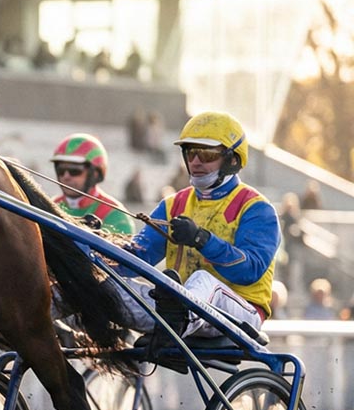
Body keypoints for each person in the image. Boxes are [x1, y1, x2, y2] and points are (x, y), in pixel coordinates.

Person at [125, 111, 279, 347]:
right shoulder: (172, 204)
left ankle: (173, 325)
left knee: (202, 280)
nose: (195, 162)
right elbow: (137, 256)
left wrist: (201, 238)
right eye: (190, 152)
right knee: (104, 286)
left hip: (240, 314)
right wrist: (89, 242)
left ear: (233, 160)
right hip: (180, 308)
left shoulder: (257, 209)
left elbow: (249, 270)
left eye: (206, 154)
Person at [49, 133, 135, 235]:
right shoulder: (50, 205)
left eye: (74, 170)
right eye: (61, 170)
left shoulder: (116, 215)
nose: (66, 176)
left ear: (95, 174)